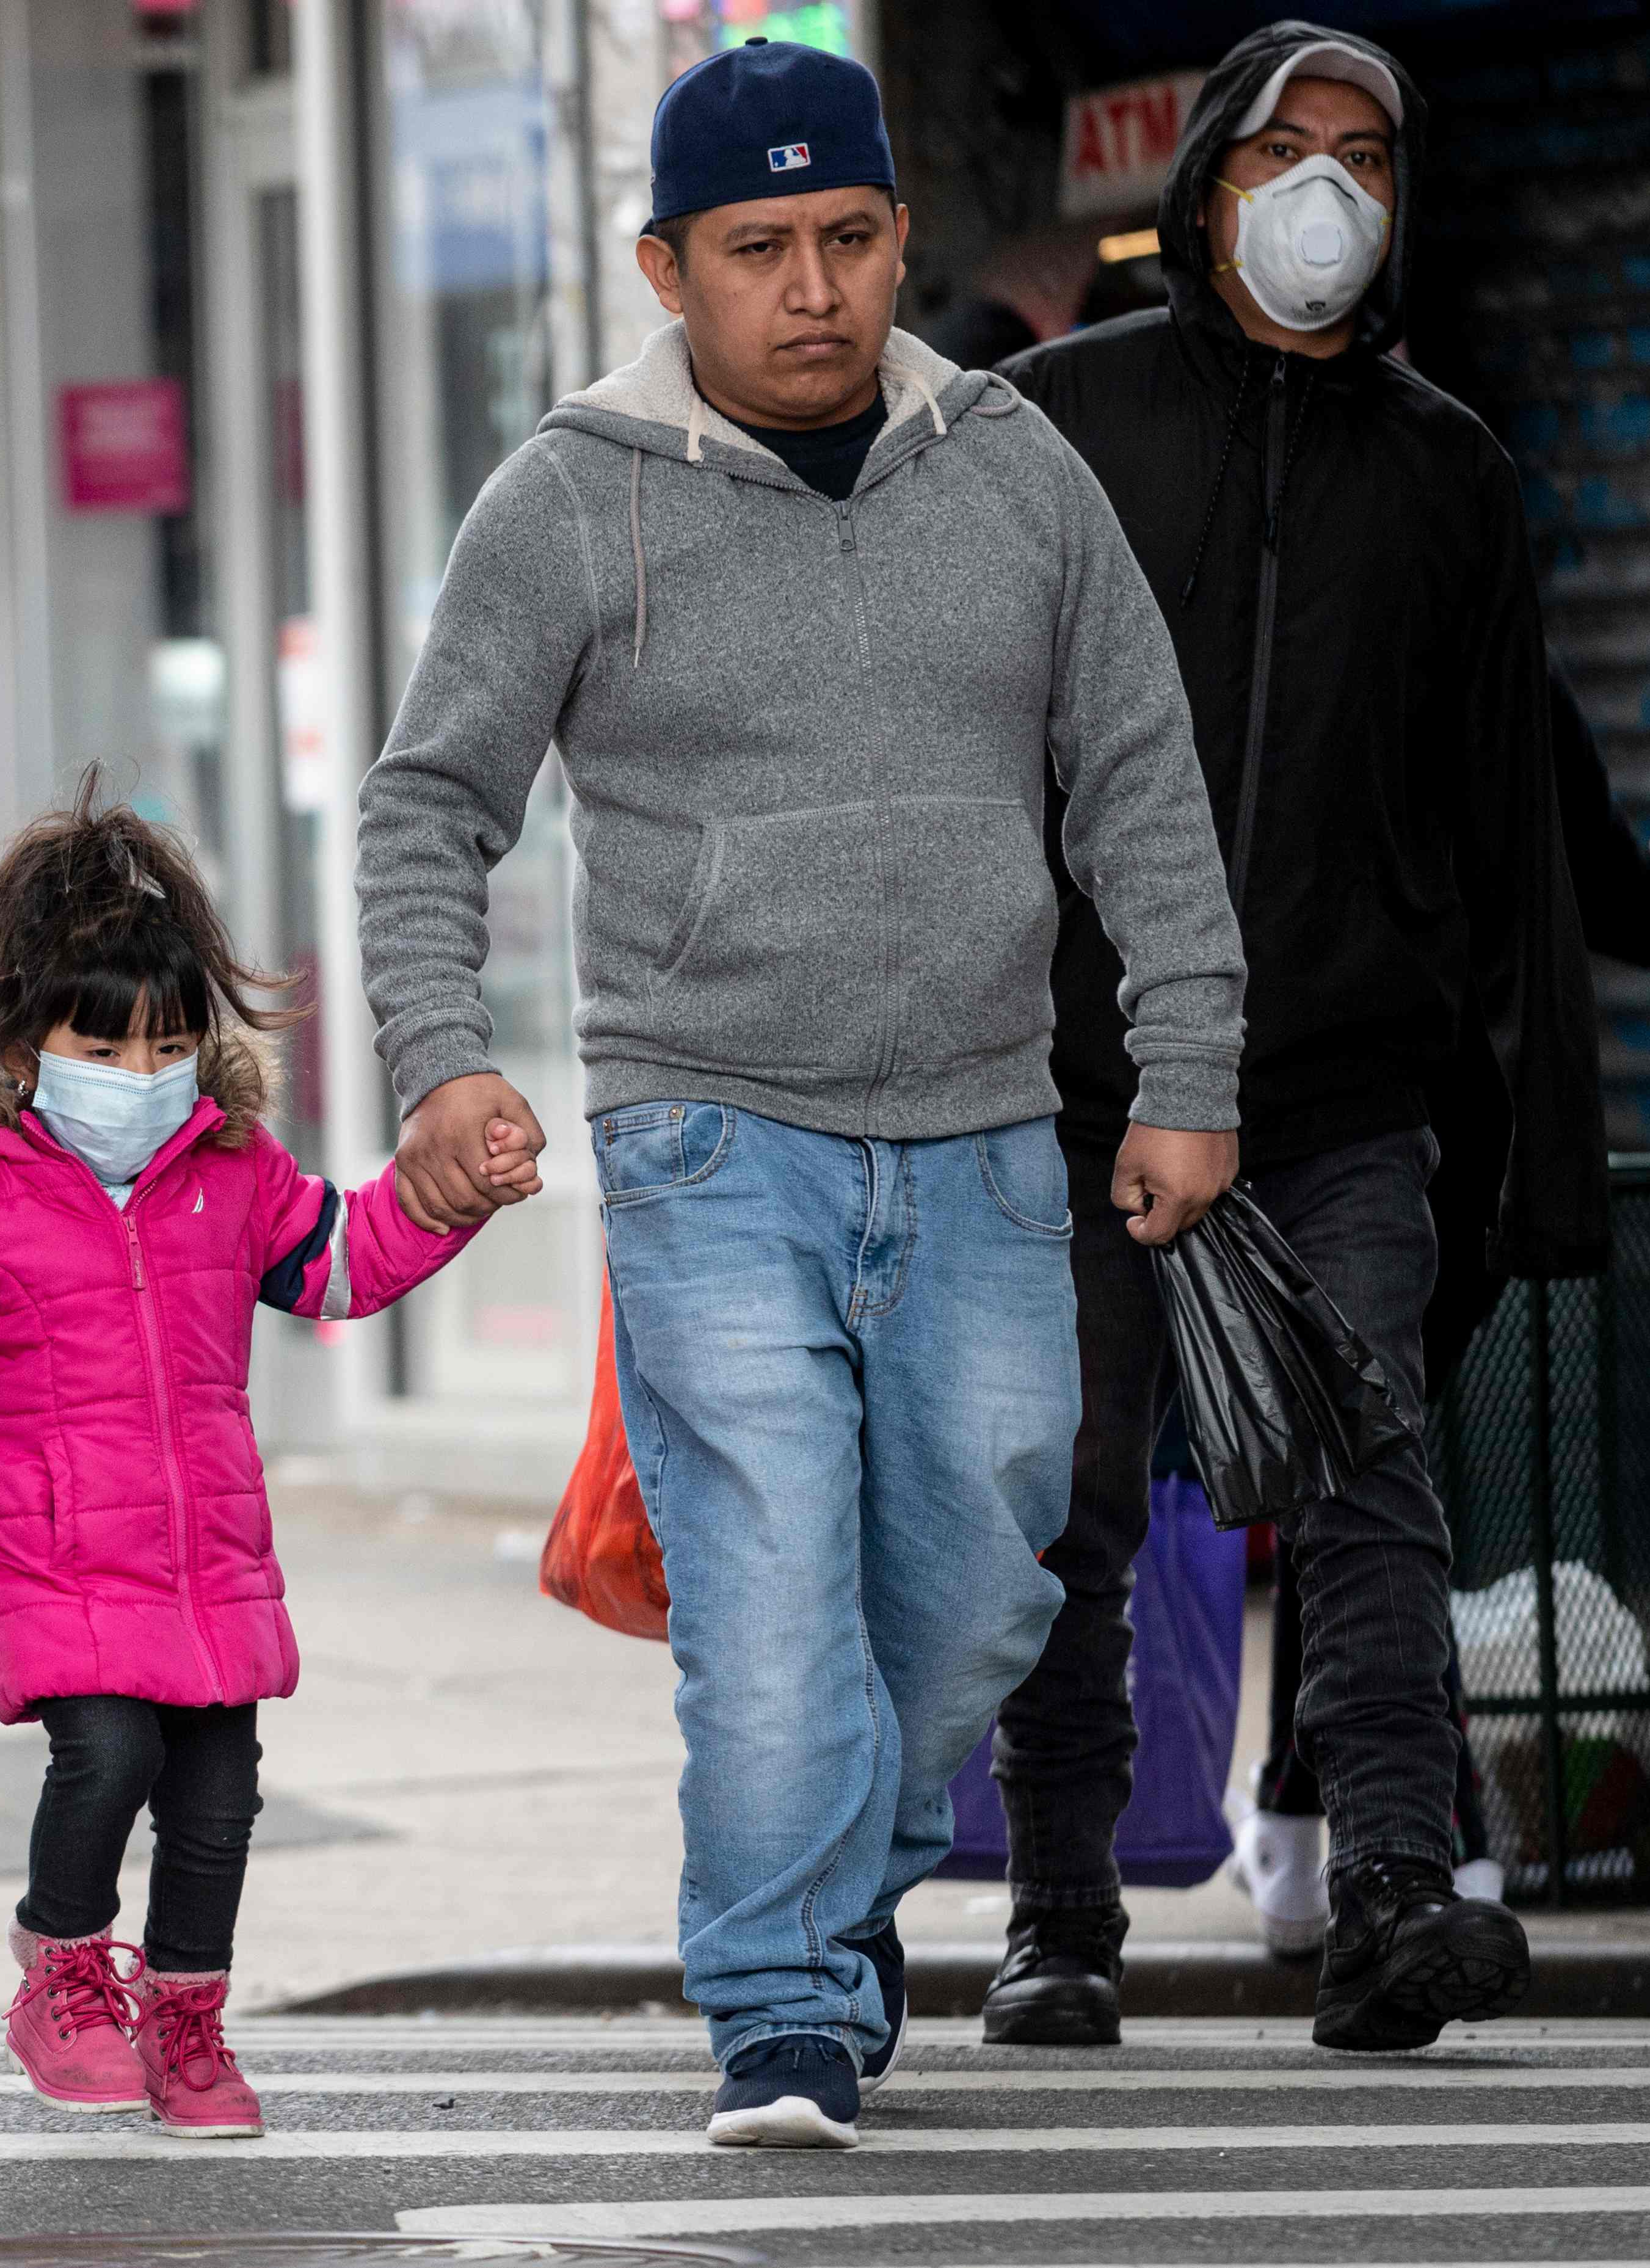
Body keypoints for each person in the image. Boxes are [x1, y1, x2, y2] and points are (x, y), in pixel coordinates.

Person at [357, 37, 1247, 2146]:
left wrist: (1188, 1065)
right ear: (665, 265)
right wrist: (436, 1055)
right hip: (705, 1131)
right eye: (756, 247)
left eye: (845, 237)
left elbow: (1138, 777)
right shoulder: (567, 495)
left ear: (897, 239)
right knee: (763, 1585)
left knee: (979, 1584)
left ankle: (831, 1899)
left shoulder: (1012, 470)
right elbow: (427, 805)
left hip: (981, 1134)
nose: (811, 285)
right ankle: (776, 2003)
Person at [984, 23, 1599, 2053]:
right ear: (1207, 181)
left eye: (1367, 155)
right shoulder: (1053, 421)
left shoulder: (1444, 470)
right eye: (1284, 147)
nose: (1326, 188)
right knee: (1068, 1502)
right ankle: (1059, 1910)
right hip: (1077, 1089)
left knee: (1369, 1486)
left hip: (1342, 1087)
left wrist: (1528, 1119)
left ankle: (1393, 1891)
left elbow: (1516, 802)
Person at [0, 793, 498, 2136]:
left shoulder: (231, 1168)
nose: (139, 1072)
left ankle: (187, 2023)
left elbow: (341, 1261)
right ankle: (62, 1968)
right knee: (107, 1750)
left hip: (204, 1561)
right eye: (101, 1044)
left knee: (220, 1794)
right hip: (46, 1557)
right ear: (21, 1042)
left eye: (166, 1043)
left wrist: (446, 1195)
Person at [1232, 659, 1650, 1948]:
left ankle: (1351, 1825)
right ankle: (1381, 1829)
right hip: (1456, 1127)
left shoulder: (1307, 646)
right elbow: (1612, 891)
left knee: (1350, 1467)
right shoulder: (1504, 672)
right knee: (1366, 1468)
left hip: (1325, 1112)